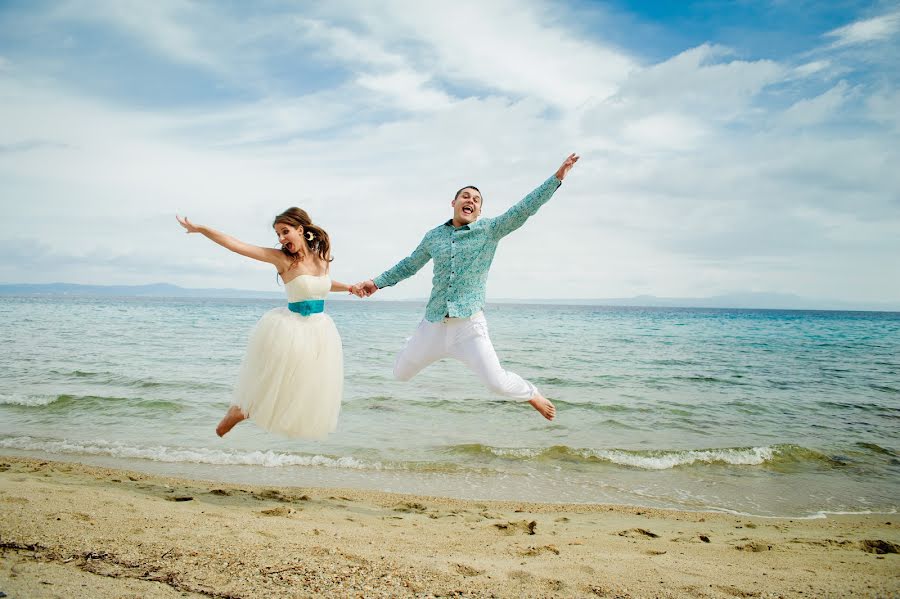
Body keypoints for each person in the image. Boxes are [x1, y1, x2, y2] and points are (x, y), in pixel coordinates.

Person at [352, 153, 580, 420]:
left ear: (480, 210)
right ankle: (413, 342)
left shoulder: (490, 230)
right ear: (454, 202)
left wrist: (557, 178)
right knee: (400, 374)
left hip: (469, 326)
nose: (470, 200)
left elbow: (523, 209)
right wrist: (376, 283)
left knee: (497, 384)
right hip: (433, 324)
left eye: (476, 200)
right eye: (466, 196)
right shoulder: (434, 236)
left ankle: (531, 393)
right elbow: (410, 264)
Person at [176, 208, 360, 438]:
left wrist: (350, 288)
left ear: (300, 230)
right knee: (274, 380)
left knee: (302, 387)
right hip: (291, 328)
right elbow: (236, 245)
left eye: (285, 232)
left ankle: (245, 410)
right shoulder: (282, 259)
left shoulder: (322, 257)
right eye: (278, 234)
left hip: (319, 329)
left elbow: (323, 283)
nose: (282, 239)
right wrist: (201, 229)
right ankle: (239, 411)